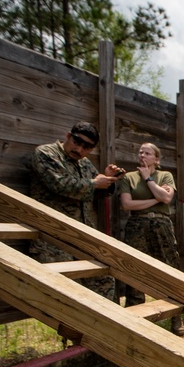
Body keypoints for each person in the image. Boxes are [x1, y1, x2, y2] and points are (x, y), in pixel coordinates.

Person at [29, 121, 119, 300]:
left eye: (87, 147)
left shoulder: (84, 163)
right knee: (68, 294)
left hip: (82, 235)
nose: (80, 150)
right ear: (68, 136)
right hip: (53, 237)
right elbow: (60, 184)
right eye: (77, 142)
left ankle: (99, 327)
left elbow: (97, 191)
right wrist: (95, 183)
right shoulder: (46, 154)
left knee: (104, 281)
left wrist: (108, 180)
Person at [117, 142, 184, 335]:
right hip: (137, 226)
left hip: (161, 225)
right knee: (134, 269)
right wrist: (156, 198)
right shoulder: (128, 177)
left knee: (169, 269)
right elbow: (127, 204)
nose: (142, 155)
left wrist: (148, 180)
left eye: (147, 153)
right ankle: (134, 317)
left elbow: (167, 198)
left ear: (156, 159)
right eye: (140, 152)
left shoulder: (165, 176)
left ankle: (176, 317)